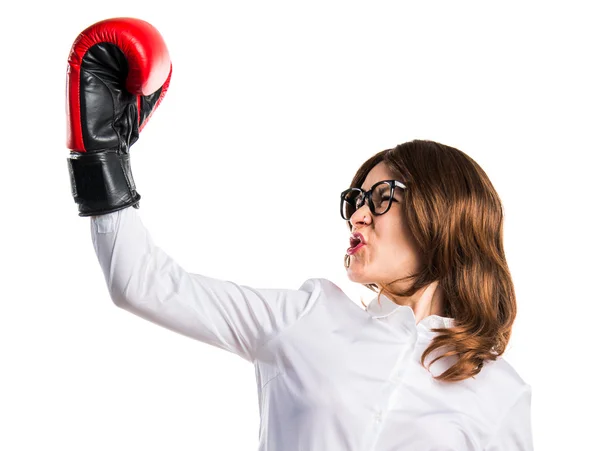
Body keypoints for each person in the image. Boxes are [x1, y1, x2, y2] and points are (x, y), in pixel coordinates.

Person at [66, 17, 533, 451]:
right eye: (354, 202)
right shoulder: (307, 319)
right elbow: (141, 284)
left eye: (380, 197)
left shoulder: (500, 393)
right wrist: (101, 160)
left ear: (446, 213)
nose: (357, 217)